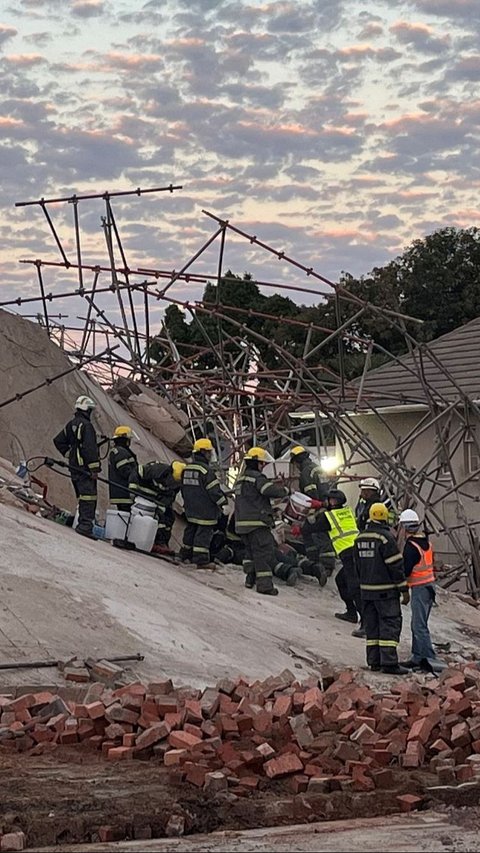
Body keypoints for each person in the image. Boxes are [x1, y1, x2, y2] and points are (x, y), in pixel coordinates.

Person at [354, 502, 409, 675]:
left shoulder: (359, 538)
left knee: (372, 627)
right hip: (386, 592)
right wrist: (404, 590)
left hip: (366, 592)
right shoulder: (386, 538)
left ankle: (374, 662)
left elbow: (356, 566)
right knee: (389, 625)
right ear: (385, 517)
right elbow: (395, 566)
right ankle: (390, 663)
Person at [235, 447, 288, 595]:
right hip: (257, 523)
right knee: (263, 554)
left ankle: (250, 579)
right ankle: (265, 586)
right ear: (256, 463)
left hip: (242, 524)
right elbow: (268, 491)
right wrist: (285, 490)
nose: (263, 467)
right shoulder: (257, 478)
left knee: (250, 554)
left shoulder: (241, 479)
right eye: (262, 464)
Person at [397, 509, 442, 673]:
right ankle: (417, 657)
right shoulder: (426, 543)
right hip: (429, 587)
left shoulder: (411, 547)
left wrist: (401, 587)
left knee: (419, 625)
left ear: (405, 526)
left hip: (420, 588)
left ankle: (430, 659)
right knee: (418, 624)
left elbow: (406, 570)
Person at [315, 489, 363, 634]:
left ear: (334, 502)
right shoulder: (347, 511)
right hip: (356, 551)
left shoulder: (329, 516)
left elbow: (313, 527)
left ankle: (366, 622)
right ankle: (351, 613)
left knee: (355, 587)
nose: (328, 502)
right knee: (341, 581)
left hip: (350, 554)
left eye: (329, 500)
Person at [53, 395, 100, 539]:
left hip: (74, 468)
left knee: (83, 497)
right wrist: (94, 469)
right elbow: (89, 449)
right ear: (87, 410)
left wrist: (70, 455)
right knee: (89, 497)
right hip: (84, 469)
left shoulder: (71, 424)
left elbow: (58, 441)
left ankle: (82, 524)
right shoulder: (86, 426)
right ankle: (85, 527)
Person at [180, 438, 227, 568]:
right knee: (203, 534)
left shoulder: (186, 469)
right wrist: (223, 502)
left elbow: (184, 489)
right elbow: (214, 492)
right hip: (206, 510)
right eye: (208, 452)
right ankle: (200, 560)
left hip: (190, 507)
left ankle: (185, 555)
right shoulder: (206, 471)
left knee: (190, 531)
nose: (209, 455)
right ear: (203, 452)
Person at [289, 446, 334, 583]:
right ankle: (315, 560)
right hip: (326, 504)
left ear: (297, 461)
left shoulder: (306, 472)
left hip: (317, 507)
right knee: (310, 534)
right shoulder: (317, 468)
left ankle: (325, 565)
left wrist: (310, 510)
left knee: (318, 535)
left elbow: (310, 494)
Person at [129, 460, 186, 555]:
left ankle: (161, 542)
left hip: (159, 499)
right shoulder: (157, 469)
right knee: (149, 517)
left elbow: (170, 496)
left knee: (168, 517)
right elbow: (137, 472)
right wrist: (133, 489)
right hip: (143, 495)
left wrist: (162, 507)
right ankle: (150, 540)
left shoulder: (178, 482)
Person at [108, 426, 138, 510]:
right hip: (124, 493)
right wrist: (137, 476)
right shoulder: (120, 452)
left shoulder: (118, 451)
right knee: (125, 515)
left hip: (121, 493)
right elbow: (125, 471)